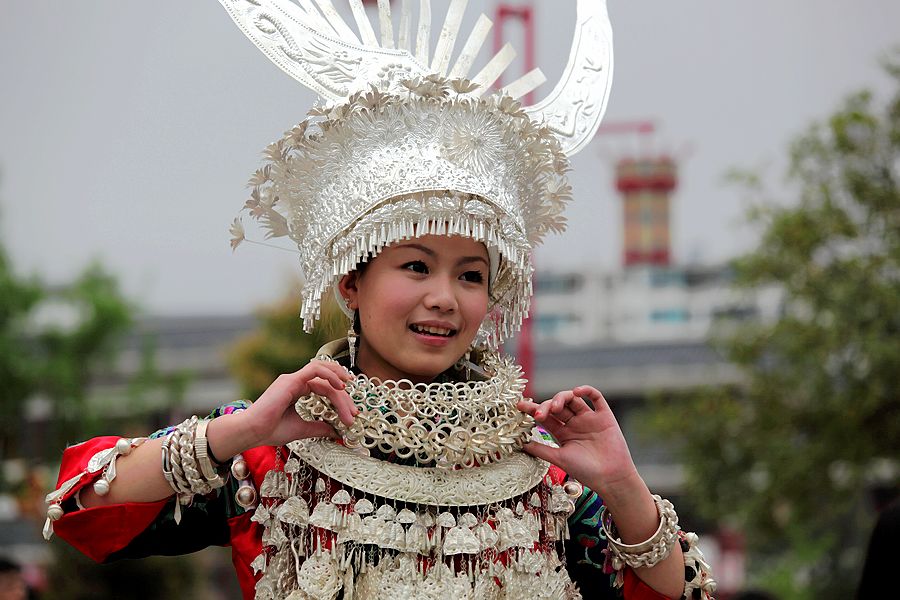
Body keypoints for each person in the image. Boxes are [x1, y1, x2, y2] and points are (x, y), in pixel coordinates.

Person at [43, 1, 715, 599]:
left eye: (471, 275)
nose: (444, 298)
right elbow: (80, 511)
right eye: (416, 265)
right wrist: (239, 434)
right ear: (350, 284)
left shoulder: (543, 471)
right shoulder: (276, 449)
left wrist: (623, 487)